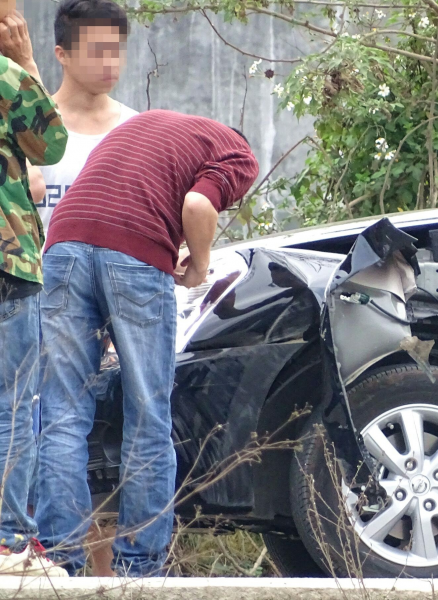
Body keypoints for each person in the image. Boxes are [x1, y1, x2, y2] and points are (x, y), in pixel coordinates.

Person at [36, 110, 258, 577]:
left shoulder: (146, 125)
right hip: (133, 254)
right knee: (148, 415)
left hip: (62, 243)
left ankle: (61, 566)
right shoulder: (237, 152)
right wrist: (199, 265)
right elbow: (198, 205)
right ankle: (139, 567)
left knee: (61, 415)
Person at [0, 5, 70, 577]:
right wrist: (26, 62)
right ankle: (6, 539)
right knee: (13, 406)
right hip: (7, 264)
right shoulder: (5, 73)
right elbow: (51, 146)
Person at [38, 0, 135, 227]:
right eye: (98, 51)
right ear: (62, 55)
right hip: (41, 262)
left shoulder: (137, 129)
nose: (110, 62)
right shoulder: (29, 127)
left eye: (116, 50)